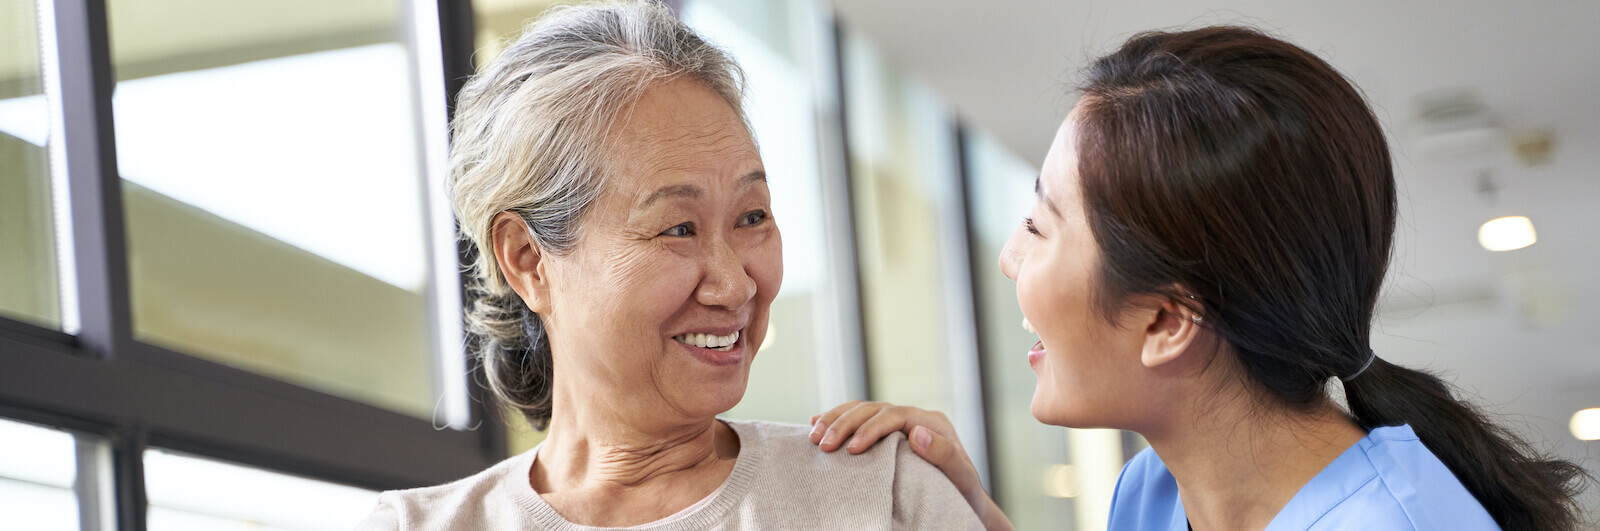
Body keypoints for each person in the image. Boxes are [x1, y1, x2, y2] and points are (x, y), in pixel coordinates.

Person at [814, 26, 1590, 530]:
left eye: (1039, 225)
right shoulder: (1152, 493)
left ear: (1166, 322)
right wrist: (971, 510)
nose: (1008, 257)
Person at [357, 3, 981, 529]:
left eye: (752, 216)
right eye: (678, 228)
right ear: (528, 261)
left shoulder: (885, 498)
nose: (735, 283)